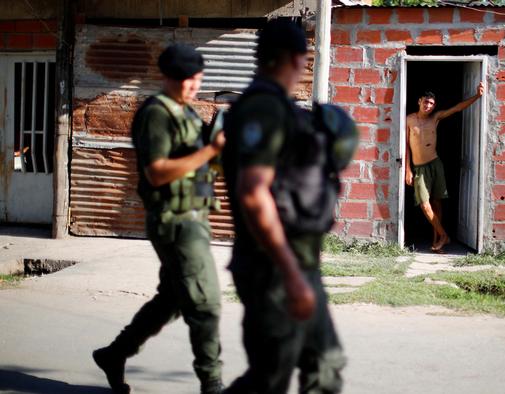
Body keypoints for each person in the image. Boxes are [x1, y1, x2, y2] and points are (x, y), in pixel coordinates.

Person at [221, 19, 352, 394]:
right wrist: (291, 274)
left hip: (296, 264)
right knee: (269, 380)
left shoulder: (278, 108)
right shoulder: (262, 109)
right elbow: (253, 192)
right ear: (297, 59)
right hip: (274, 271)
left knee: (325, 367)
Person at [93, 43, 225, 394]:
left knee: (172, 300)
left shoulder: (190, 114)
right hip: (174, 220)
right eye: (184, 80)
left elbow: (203, 165)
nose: (191, 86)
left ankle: (115, 353)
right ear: (167, 77)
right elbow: (157, 173)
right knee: (204, 302)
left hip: (195, 217)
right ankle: (212, 384)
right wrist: (210, 150)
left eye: (196, 79)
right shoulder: (157, 113)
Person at [405, 83, 485, 253]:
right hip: (419, 167)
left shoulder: (435, 118)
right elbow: (405, 145)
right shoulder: (409, 119)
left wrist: (477, 96)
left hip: (435, 163)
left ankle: (436, 242)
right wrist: (408, 170)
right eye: (426, 102)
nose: (428, 106)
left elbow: (457, 108)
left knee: (437, 203)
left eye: (432, 104)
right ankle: (444, 236)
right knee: (424, 205)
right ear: (419, 101)